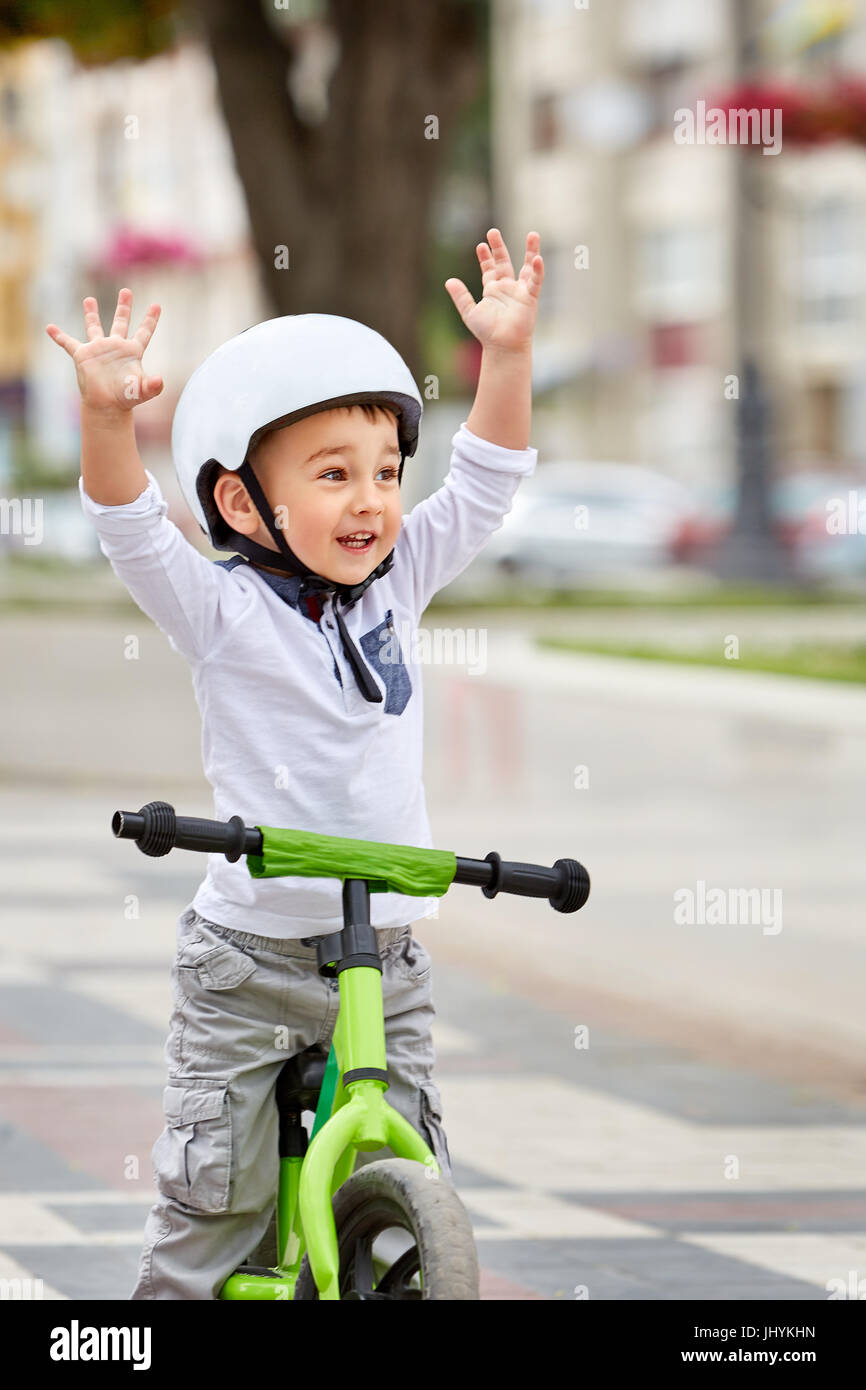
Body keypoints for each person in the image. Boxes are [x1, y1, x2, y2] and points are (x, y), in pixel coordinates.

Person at [46, 227, 544, 1299]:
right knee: (214, 1209)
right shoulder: (223, 611)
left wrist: (504, 357)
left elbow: (488, 483)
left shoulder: (399, 578)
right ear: (240, 505)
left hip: (387, 947)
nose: (371, 499)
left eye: (384, 471)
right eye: (333, 475)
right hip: (251, 959)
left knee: (400, 1176)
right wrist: (105, 416)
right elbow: (132, 528)